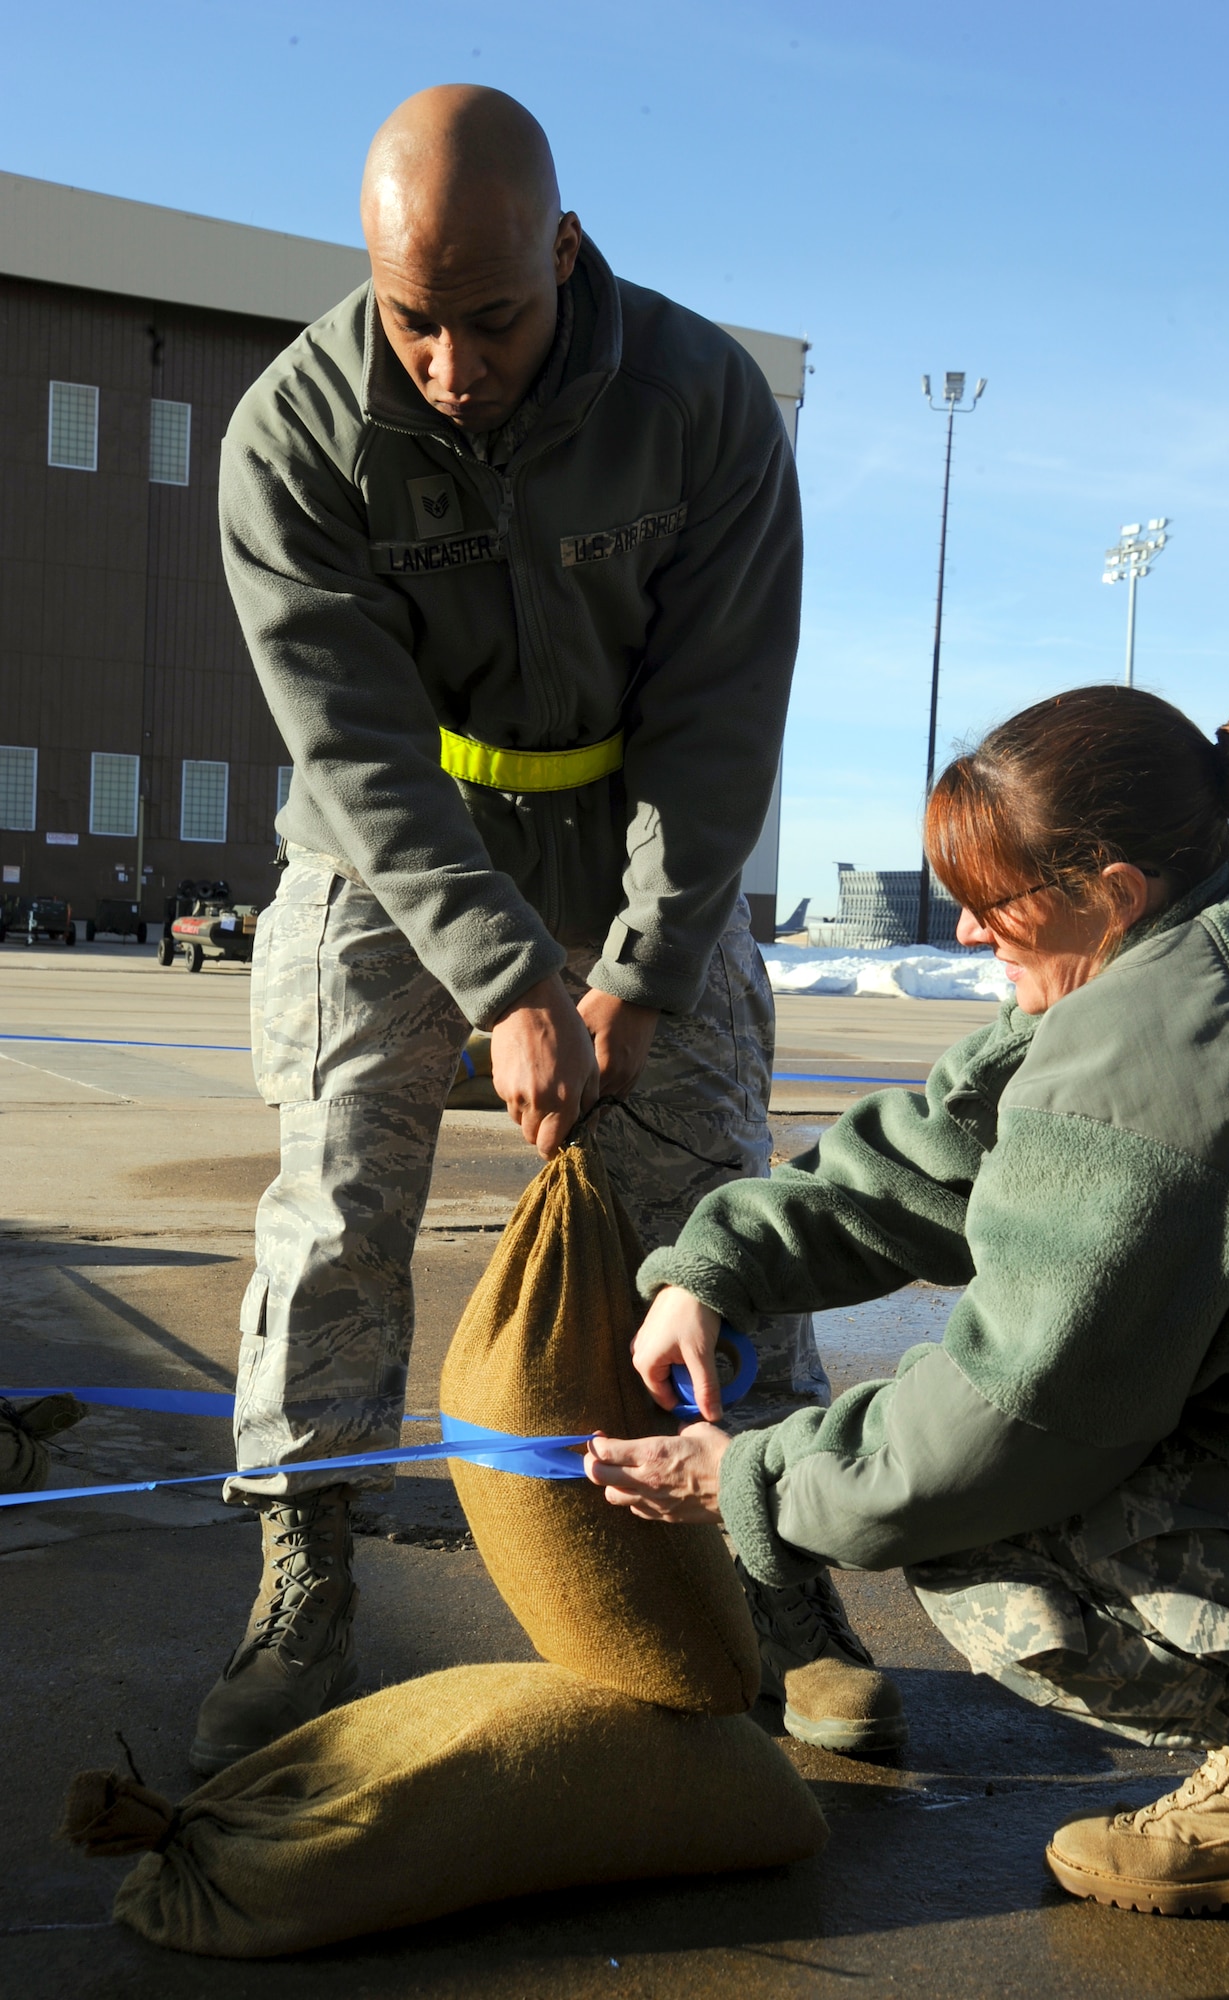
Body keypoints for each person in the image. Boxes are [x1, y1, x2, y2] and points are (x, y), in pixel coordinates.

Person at [192, 84, 897, 1777]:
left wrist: (639, 980)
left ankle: (774, 1565)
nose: (449, 363)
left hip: (637, 826)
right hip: (397, 842)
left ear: (565, 252)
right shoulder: (292, 437)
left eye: (491, 317)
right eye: (411, 320)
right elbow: (352, 747)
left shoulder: (700, 405)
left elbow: (719, 722)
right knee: (335, 1191)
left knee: (724, 1190)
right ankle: (305, 1571)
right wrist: (505, 984)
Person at [586, 685, 1229, 1918]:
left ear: (1114, 888)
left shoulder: (1153, 1080)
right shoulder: (1209, 958)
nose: (974, 934)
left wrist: (749, 1479)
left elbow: (989, 1434)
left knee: (956, 1528)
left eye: (996, 903)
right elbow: (929, 1161)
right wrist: (715, 1263)